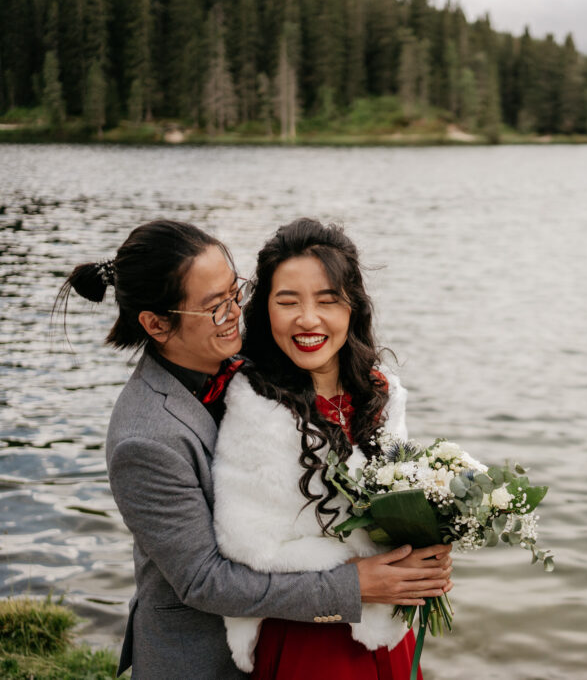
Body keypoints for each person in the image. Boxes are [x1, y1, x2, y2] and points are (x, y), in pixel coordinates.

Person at [55, 220, 452, 679]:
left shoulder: (255, 367)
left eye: (235, 293)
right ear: (156, 324)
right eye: (215, 308)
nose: (235, 313)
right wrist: (355, 585)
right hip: (208, 659)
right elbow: (204, 580)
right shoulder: (145, 438)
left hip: (313, 633)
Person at [212, 218, 443, 680]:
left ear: (352, 307)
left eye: (327, 300)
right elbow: (247, 543)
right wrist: (356, 573)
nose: (308, 319)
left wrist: (426, 560)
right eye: (288, 301)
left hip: (386, 626)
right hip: (307, 634)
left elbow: (401, 502)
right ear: (266, 311)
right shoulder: (251, 404)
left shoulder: (382, 392)